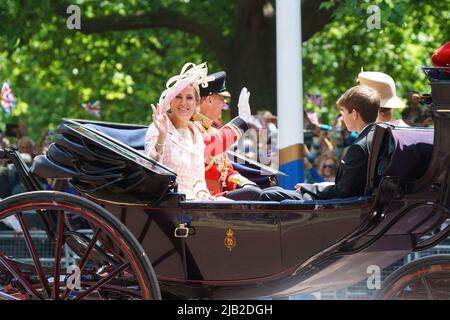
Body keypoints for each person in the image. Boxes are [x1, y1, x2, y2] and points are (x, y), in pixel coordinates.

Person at [259, 85, 380, 201]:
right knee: (273, 190)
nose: (342, 117)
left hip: (339, 207)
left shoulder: (359, 147)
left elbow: (343, 193)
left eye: (343, 111)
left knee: (268, 195)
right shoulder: (375, 138)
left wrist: (310, 188)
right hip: (354, 203)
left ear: (354, 114)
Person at [193, 71, 262, 200]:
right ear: (209, 99)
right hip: (202, 199)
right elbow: (213, 146)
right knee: (256, 195)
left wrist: (245, 184)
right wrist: (241, 121)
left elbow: (226, 172)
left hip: (217, 198)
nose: (224, 106)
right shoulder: (191, 127)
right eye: (222, 100)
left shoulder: (211, 131)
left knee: (269, 191)